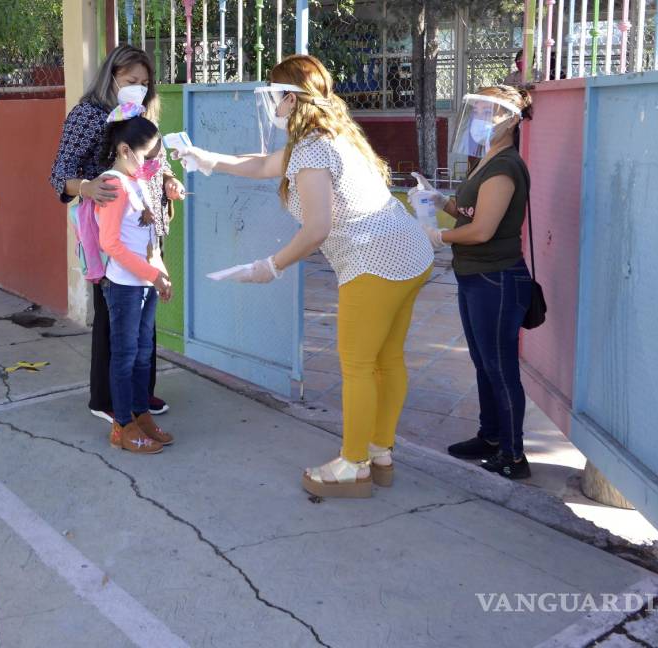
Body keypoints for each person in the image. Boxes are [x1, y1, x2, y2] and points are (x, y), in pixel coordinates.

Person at [179, 55, 434, 498]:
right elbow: (262, 165)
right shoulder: (332, 135)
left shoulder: (313, 149)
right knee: (387, 359)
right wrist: (206, 159)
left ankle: (353, 467)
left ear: (291, 99)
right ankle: (380, 453)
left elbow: (317, 228)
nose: (272, 107)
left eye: (275, 97)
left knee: (357, 366)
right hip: (409, 252)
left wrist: (270, 267)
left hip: (373, 263)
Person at [49, 44, 186, 425]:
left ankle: (139, 396)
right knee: (114, 320)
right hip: (109, 231)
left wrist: (170, 180)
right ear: (111, 77)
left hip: (146, 229)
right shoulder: (87, 115)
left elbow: (157, 161)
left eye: (144, 83)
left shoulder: (141, 115)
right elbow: (59, 174)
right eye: (130, 81)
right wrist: (87, 187)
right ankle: (106, 399)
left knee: (144, 321)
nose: (138, 88)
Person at [412, 85, 535, 480]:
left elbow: (481, 230)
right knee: (483, 362)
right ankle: (492, 437)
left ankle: (514, 456)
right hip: (475, 276)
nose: (481, 119)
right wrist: (438, 201)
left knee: (500, 367)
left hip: (496, 278)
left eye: (489, 112)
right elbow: (468, 211)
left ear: (512, 120)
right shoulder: (486, 160)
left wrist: (439, 236)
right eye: (478, 111)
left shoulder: (505, 167)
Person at [95, 103, 175, 454]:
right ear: (125, 150)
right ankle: (122, 425)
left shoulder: (135, 180)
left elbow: (149, 235)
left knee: (144, 354)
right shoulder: (113, 184)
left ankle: (141, 415)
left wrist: (162, 273)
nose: (154, 164)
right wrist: (152, 274)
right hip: (126, 287)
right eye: (149, 156)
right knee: (125, 355)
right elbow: (109, 242)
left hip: (145, 284)